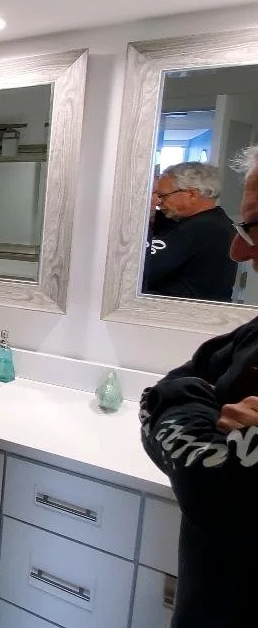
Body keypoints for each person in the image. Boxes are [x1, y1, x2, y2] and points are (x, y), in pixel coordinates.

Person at [140, 146, 258, 627]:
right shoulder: (251, 336)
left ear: (192, 195)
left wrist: (180, 402)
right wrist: (186, 401)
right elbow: (164, 390)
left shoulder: (201, 230)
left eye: (253, 228)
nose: (239, 251)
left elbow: (216, 489)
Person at [143, 162, 237, 301]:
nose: (158, 201)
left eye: (163, 196)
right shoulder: (218, 221)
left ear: (192, 194)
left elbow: (140, 269)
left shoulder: (202, 228)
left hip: (179, 310)